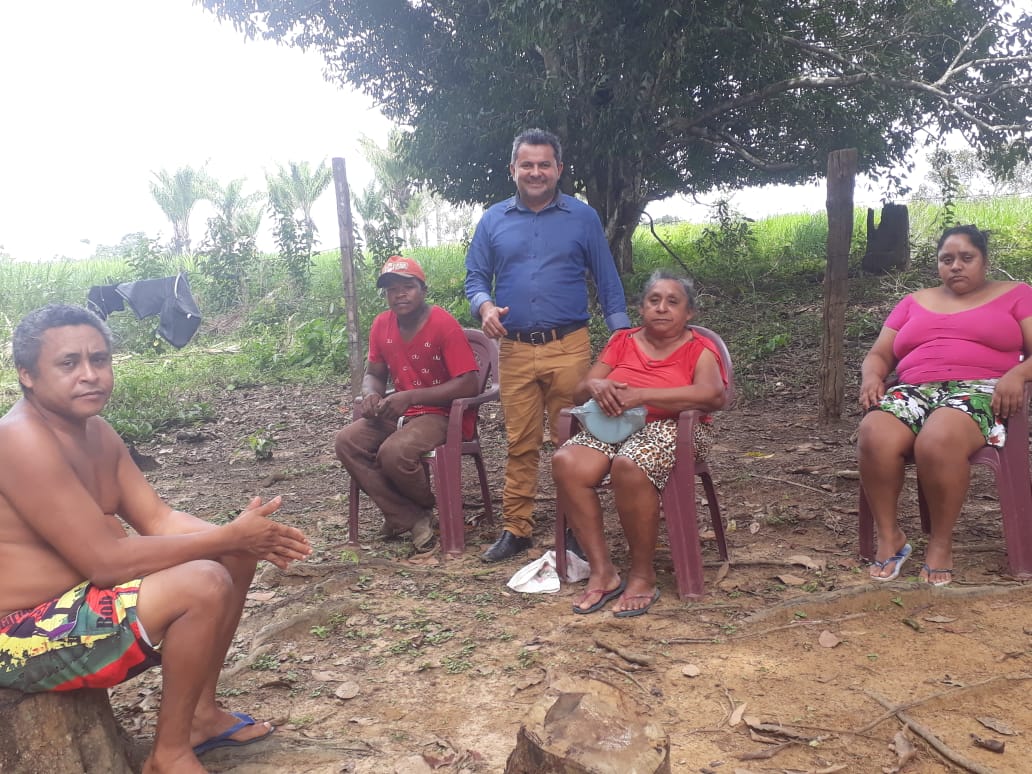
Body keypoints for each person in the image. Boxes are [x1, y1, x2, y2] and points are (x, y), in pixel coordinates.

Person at [0, 304, 312, 774]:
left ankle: (200, 718)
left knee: (231, 556)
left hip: (75, 603)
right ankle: (168, 756)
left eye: (99, 360)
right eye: (69, 364)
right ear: (27, 375)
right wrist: (228, 535)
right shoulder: (19, 439)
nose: (90, 375)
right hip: (18, 636)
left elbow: (159, 519)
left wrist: (244, 538)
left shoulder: (98, 433)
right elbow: (105, 562)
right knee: (203, 580)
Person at [465, 128, 632, 563]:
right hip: (515, 347)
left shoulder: (583, 217)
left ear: (558, 169)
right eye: (527, 165)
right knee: (520, 440)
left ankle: (575, 528)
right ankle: (516, 528)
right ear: (513, 170)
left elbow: (607, 278)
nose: (535, 172)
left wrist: (622, 339)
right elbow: (476, 278)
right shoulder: (492, 220)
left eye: (544, 164)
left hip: (569, 346)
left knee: (575, 439)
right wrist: (483, 308)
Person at [857, 225, 1032, 586]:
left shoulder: (1017, 295)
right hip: (915, 389)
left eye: (966, 258)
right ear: (937, 266)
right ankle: (891, 537)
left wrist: (1018, 374)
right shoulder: (912, 302)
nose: (956, 266)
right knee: (874, 432)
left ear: (984, 260)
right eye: (946, 259)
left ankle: (940, 543)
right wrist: (872, 378)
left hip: (981, 389)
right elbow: (878, 354)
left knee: (937, 439)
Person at [551, 271, 727, 616]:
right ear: (641, 307)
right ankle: (603, 572)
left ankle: (642, 575)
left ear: (689, 313)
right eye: (653, 300)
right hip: (614, 426)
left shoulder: (698, 348)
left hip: (675, 429)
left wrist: (643, 395)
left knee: (629, 465)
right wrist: (596, 387)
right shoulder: (623, 341)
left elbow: (712, 395)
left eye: (672, 302)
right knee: (566, 462)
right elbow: (580, 390)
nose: (662, 308)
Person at [335, 256, 480, 553]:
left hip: (440, 414)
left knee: (394, 452)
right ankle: (411, 515)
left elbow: (469, 383)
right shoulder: (381, 324)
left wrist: (412, 396)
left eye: (407, 286)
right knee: (347, 441)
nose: (399, 294)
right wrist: (372, 394)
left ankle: (412, 512)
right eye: (391, 289)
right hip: (399, 411)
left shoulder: (442, 323)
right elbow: (374, 374)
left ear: (423, 290)